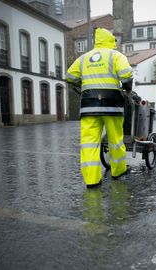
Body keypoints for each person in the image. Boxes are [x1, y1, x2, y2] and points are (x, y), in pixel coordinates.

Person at [66, 28, 133, 188]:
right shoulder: (115, 55)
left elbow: (69, 76)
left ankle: (92, 180)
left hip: (88, 106)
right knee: (115, 140)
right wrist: (127, 87)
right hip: (112, 105)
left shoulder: (84, 58)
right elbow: (126, 74)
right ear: (111, 41)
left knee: (89, 143)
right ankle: (118, 171)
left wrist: (82, 84)